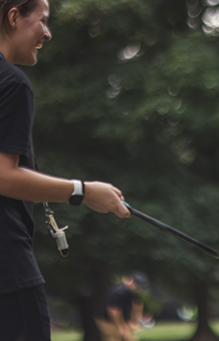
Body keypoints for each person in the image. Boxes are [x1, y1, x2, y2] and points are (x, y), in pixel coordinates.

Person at [0, 0, 131, 340]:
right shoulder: (12, 84)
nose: (48, 32)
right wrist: (83, 191)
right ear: (13, 16)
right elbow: (3, 175)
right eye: (42, 20)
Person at [95, 275, 145, 341]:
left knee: (129, 338)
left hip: (121, 317)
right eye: (139, 287)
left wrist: (136, 322)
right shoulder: (120, 292)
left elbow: (138, 306)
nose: (139, 290)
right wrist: (121, 328)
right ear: (134, 284)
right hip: (105, 319)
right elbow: (113, 312)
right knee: (115, 337)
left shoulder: (133, 293)